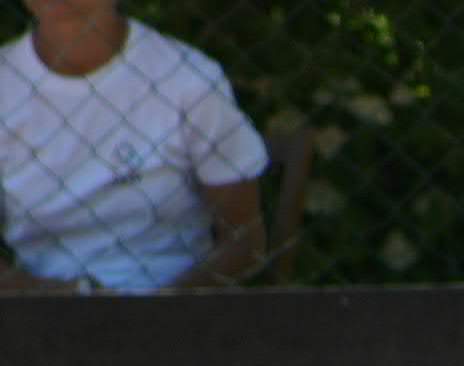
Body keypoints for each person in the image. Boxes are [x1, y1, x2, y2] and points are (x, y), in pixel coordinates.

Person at [1, 0, 268, 294]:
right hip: (36, 313)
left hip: (179, 308)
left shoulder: (189, 78)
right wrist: (57, 294)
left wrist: (155, 313)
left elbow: (244, 243)